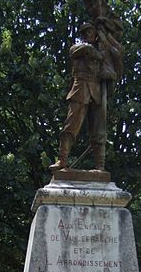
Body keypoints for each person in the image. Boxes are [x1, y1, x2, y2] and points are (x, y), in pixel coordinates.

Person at [50, 22, 118, 172]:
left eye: (90, 31)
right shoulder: (79, 47)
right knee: (71, 126)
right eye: (84, 32)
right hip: (80, 88)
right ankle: (62, 160)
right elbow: (78, 51)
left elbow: (112, 72)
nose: (87, 34)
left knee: (99, 131)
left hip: (97, 93)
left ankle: (100, 165)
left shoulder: (104, 52)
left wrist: (108, 73)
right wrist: (98, 52)